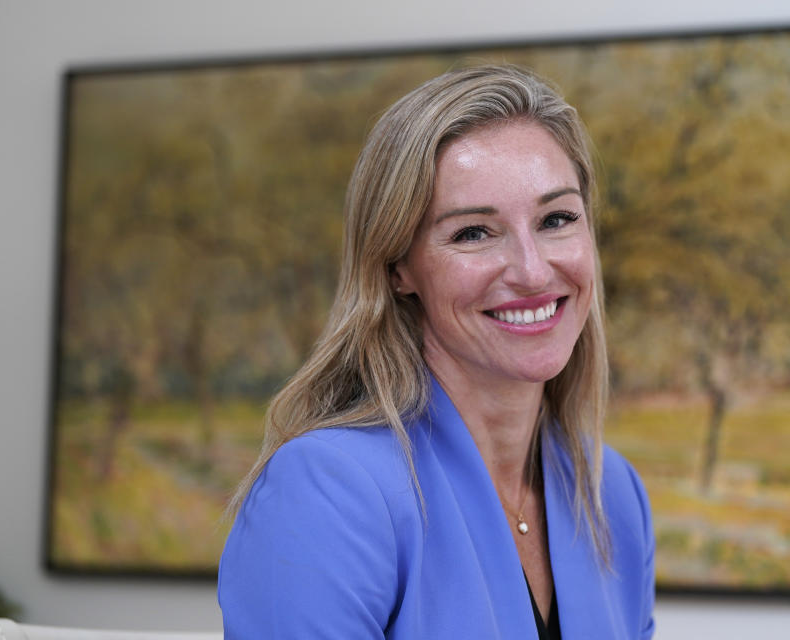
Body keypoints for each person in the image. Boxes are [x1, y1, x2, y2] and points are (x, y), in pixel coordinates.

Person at [218, 64, 655, 639]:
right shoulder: (328, 492)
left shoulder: (611, 493)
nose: (531, 270)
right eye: (473, 232)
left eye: (557, 219)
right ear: (399, 267)